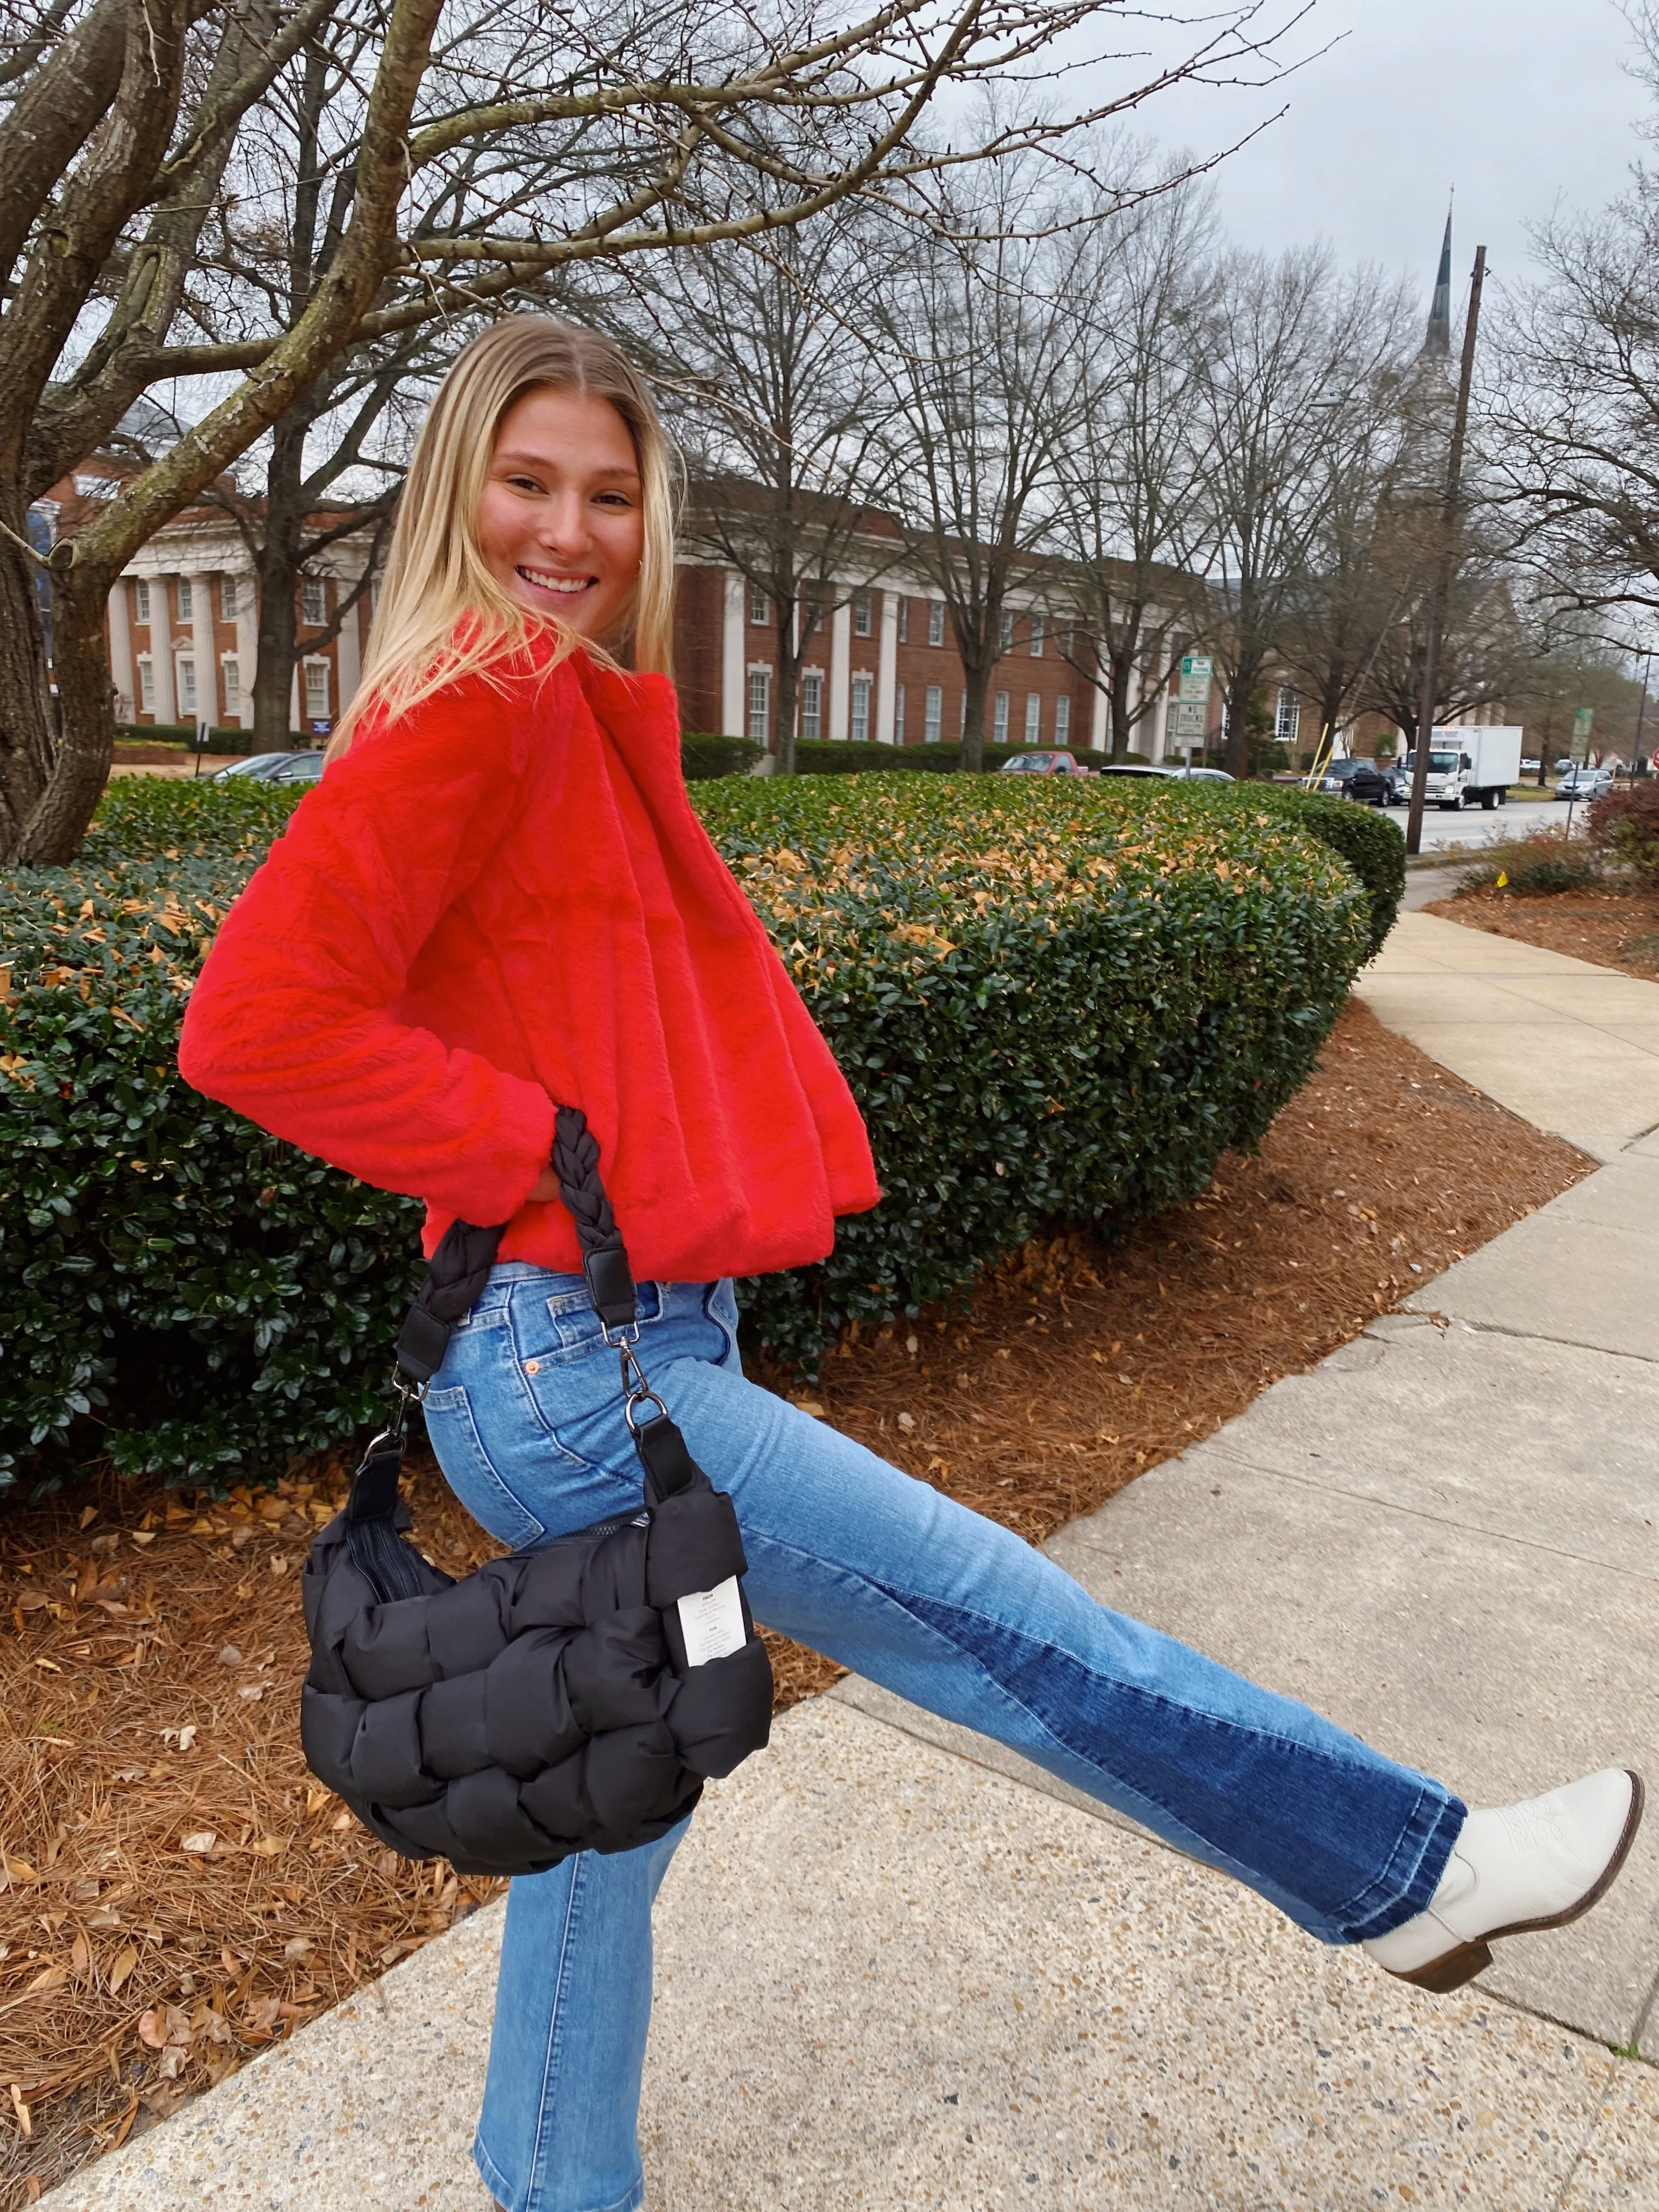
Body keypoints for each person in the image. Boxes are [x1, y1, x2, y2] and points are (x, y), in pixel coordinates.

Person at [178, 317, 1643, 2212]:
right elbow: (258, 1023)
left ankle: (551, 2181)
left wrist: (577, 1146)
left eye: (610, 494)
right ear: (458, 486)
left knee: (603, 1798)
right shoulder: (477, 699)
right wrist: (541, 1151)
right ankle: (1402, 1875)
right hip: (572, 1375)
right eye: (525, 482)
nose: (568, 529)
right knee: (1009, 1623)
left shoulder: (553, 705)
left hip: (596, 1352)